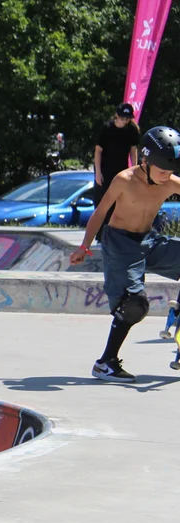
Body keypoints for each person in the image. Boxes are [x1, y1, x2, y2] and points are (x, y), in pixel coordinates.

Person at [70, 126, 180, 383]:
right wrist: (84, 245)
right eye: (162, 171)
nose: (166, 177)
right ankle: (105, 363)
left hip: (148, 240)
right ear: (145, 161)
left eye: (170, 172)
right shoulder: (124, 180)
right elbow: (99, 213)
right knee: (133, 304)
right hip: (119, 244)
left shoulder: (170, 181)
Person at [93, 104, 141, 217]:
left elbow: (133, 152)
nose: (125, 120)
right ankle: (100, 232)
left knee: (117, 202)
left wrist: (134, 170)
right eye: (123, 117)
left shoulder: (132, 130)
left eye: (128, 118)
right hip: (105, 170)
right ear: (117, 116)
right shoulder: (107, 128)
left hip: (121, 170)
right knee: (102, 202)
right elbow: (98, 151)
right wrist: (98, 173)